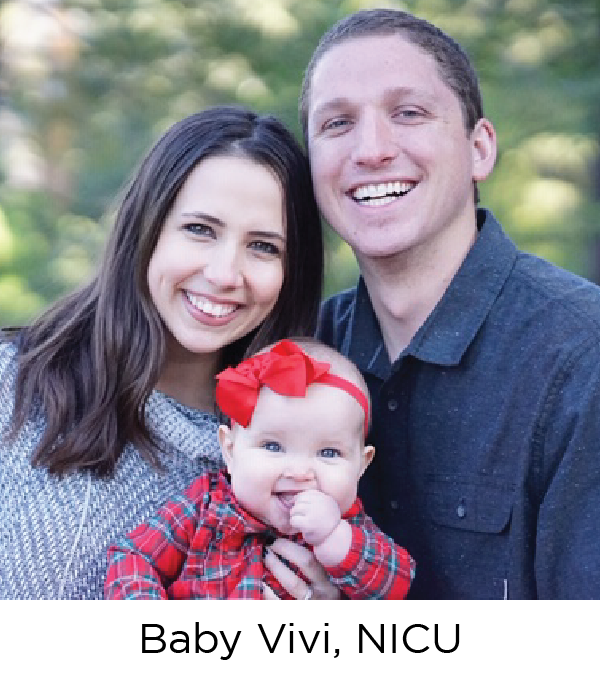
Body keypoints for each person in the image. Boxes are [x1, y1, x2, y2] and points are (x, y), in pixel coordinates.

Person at [298, 8, 600, 599]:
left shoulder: (580, 358)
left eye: (408, 113)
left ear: (480, 149)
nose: (372, 149)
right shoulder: (301, 350)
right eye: (336, 124)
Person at [0, 106, 324, 599]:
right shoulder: (14, 382)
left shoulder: (294, 455)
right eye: (200, 229)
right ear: (147, 229)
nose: (223, 273)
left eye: (262, 246)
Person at [104, 338, 415, 599]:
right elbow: (134, 557)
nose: (299, 471)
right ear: (230, 449)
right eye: (273, 447)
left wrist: (334, 538)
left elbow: (395, 584)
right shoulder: (205, 505)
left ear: (362, 464)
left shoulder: (349, 526)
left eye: (328, 452)